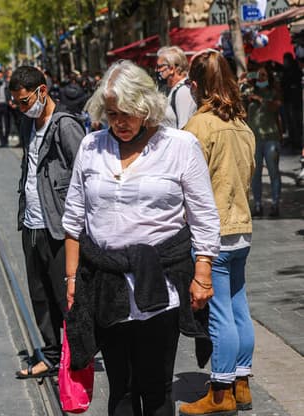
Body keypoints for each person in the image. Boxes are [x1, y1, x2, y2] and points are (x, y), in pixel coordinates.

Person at [63, 60, 220, 415]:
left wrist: (203, 273)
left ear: (146, 107)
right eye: (112, 113)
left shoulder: (180, 146)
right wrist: (72, 278)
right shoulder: (91, 147)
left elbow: (204, 215)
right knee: (120, 385)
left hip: (161, 285)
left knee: (156, 386)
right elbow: (73, 218)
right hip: (106, 284)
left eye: (128, 114)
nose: (119, 122)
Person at [178, 48, 256, 416]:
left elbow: (183, 182)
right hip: (241, 228)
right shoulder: (242, 125)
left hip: (214, 232)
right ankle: (241, 384)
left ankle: (220, 391)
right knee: (239, 307)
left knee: (220, 313)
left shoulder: (199, 126)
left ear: (196, 86)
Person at [8, 66, 85, 379]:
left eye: (25, 101)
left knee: (64, 295)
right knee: (39, 294)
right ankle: (51, 354)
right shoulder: (28, 125)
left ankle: (77, 356)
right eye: (17, 103)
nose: (22, 108)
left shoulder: (65, 125)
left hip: (58, 224)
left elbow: (85, 170)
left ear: (42, 91)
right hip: (32, 223)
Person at [246, 66, 282, 217]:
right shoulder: (248, 93)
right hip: (254, 139)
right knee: (256, 174)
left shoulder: (273, 93)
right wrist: (244, 79)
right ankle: (258, 204)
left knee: (273, 172)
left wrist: (261, 99)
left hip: (271, 138)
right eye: (258, 75)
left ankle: (275, 204)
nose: (261, 77)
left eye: (264, 75)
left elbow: (276, 106)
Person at [156, 46, 197, 129]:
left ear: (171, 68)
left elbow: (184, 127)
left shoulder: (183, 91)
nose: (156, 70)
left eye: (159, 67)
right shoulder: (172, 89)